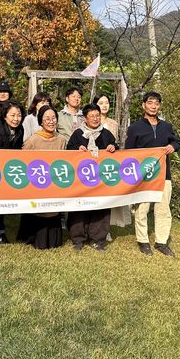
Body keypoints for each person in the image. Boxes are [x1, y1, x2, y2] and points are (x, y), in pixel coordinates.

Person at [125, 91, 180, 257]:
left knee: (163, 209)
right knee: (142, 209)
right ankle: (143, 241)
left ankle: (161, 242)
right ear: (144, 105)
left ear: (159, 106)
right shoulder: (135, 128)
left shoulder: (167, 126)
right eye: (150, 103)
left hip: (164, 175)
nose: (153, 106)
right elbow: (128, 152)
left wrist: (173, 146)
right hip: (143, 176)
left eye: (156, 103)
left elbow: (176, 141)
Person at [66, 103, 117, 251]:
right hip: (81, 179)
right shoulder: (77, 134)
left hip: (101, 180)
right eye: (91, 116)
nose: (95, 119)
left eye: (97, 116)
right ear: (85, 118)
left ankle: (98, 239)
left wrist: (113, 147)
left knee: (100, 207)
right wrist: (77, 149)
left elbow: (116, 148)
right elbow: (69, 151)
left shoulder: (106, 134)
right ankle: (78, 239)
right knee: (79, 208)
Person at [21, 105, 66, 249]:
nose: (51, 121)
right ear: (41, 121)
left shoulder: (62, 140)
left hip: (55, 186)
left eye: (53, 118)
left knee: (54, 210)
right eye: (47, 118)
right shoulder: (32, 140)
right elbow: (22, 162)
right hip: (37, 185)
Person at [0, 99, 24, 246]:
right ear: (4, 116)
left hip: (9, 169)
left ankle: (0, 231)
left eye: (19, 115)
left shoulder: (20, 130)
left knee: (2, 202)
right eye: (12, 115)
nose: (16, 119)